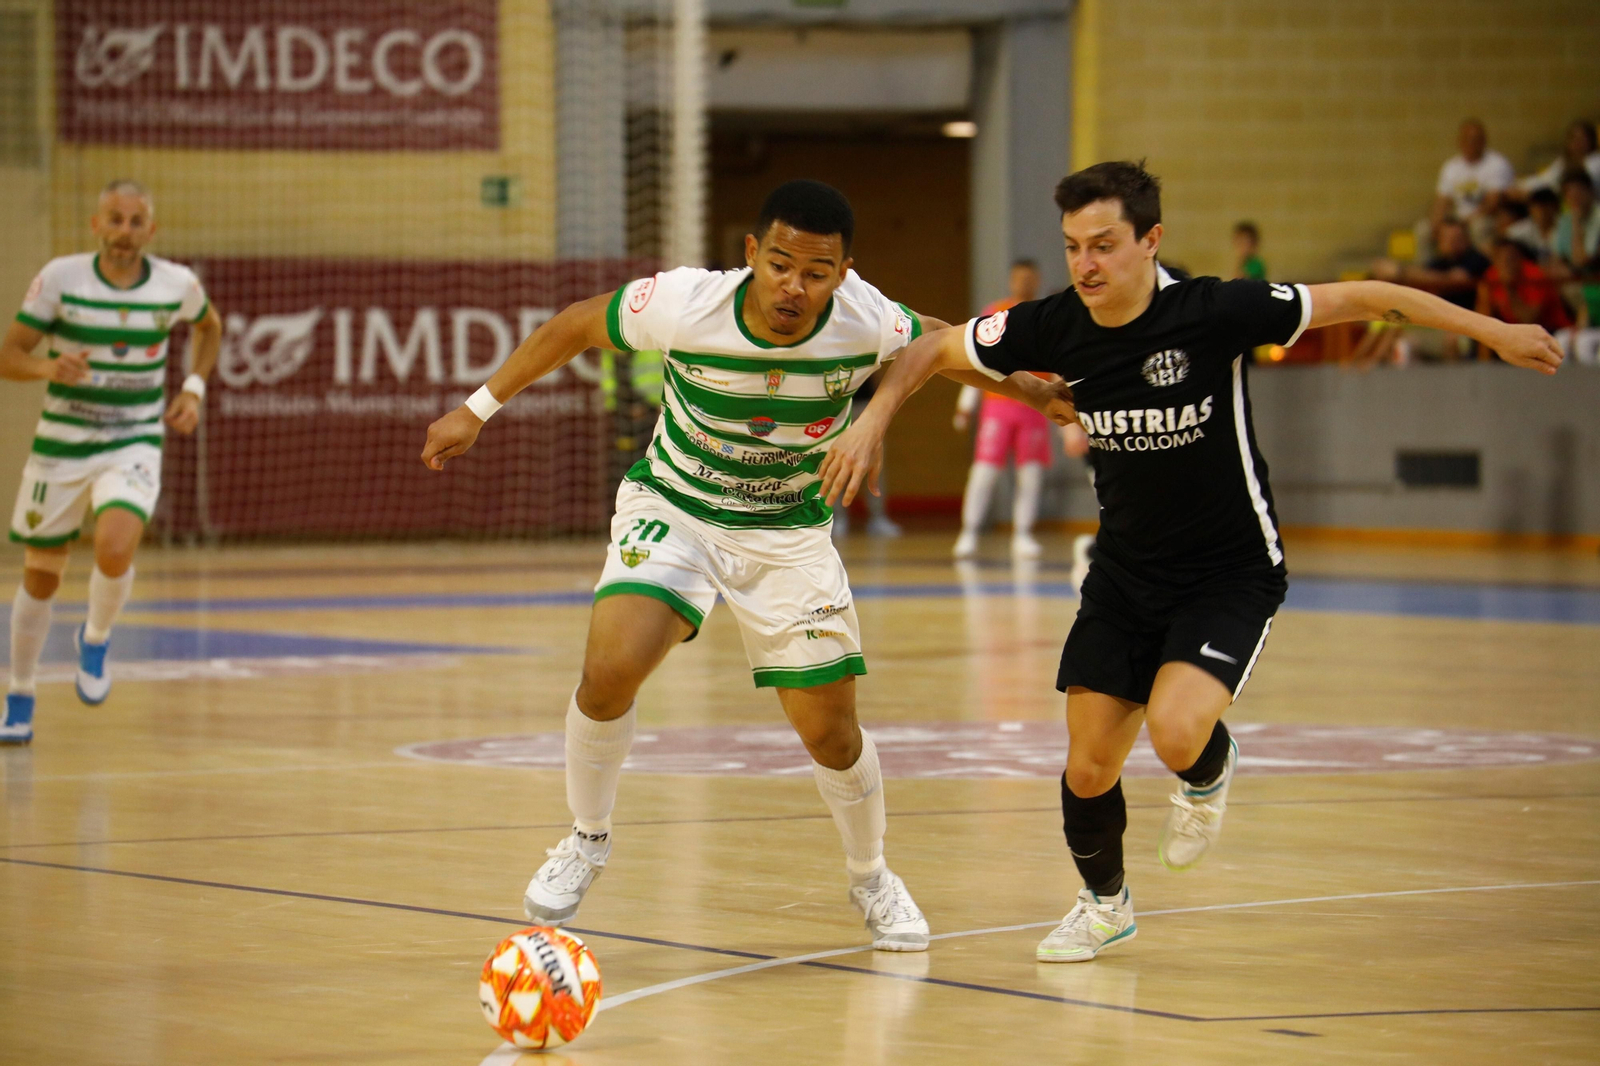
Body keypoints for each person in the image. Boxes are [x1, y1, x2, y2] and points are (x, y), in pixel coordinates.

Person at [819, 160, 1562, 964]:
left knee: (1175, 733)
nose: (1086, 265)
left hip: (1230, 571)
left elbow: (1373, 296)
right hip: (1125, 575)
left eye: (1104, 245)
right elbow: (933, 349)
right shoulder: (1056, 324)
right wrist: (875, 423)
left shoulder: (1218, 310)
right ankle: (1105, 906)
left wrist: (1497, 333)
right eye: (1073, 247)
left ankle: (1208, 767)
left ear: (1151, 240)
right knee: (1089, 762)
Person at [420, 180, 1071, 950]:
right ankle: (587, 837)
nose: (796, 286)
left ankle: (871, 874)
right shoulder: (686, 304)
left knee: (830, 733)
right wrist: (477, 408)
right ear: (753, 253)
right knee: (609, 670)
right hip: (677, 506)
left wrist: (1033, 394)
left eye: (818, 271)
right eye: (782, 264)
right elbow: (575, 326)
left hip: (786, 533)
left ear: (844, 271)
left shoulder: (865, 318)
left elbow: (936, 343)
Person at [1, 180, 219, 745]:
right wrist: (49, 368)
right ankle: (20, 693)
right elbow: (9, 356)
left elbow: (209, 327)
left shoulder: (177, 284)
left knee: (116, 544)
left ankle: (95, 638)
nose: (125, 231)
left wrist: (193, 387)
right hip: (62, 445)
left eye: (136, 221)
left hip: (133, 439)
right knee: (40, 578)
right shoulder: (61, 278)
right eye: (115, 220)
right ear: (97, 225)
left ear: (152, 230)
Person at [952, 259, 1056, 558]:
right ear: (1011, 280)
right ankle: (969, 532)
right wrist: (965, 404)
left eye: (1030, 278)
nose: (1024, 283)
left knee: (1031, 475)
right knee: (985, 471)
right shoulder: (995, 313)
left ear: (1036, 280)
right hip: (998, 405)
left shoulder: (1048, 314)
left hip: (1035, 407)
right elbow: (974, 359)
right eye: (1019, 278)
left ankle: (1023, 533)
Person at [1476, 238, 1571, 353]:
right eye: (1501, 259)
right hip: (1512, 333)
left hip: (1551, 330)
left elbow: (1530, 320)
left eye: (1510, 258)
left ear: (1519, 258)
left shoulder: (1535, 276)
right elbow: (1484, 320)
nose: (1506, 263)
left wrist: (1510, 289)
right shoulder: (1491, 277)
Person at [1431, 118, 1514, 246]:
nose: (1471, 144)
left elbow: (1492, 203)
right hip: (1458, 218)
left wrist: (1466, 222)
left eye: (1475, 140)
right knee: (1424, 230)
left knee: (1479, 227)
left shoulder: (1497, 164)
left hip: (1487, 217)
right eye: (1467, 139)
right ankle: (1432, 266)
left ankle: (1480, 265)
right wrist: (1436, 222)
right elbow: (1441, 201)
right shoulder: (1451, 167)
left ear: (1483, 141)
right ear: (1460, 141)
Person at [1516, 120, 1600, 197]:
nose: (1577, 143)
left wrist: (1531, 193)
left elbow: (1561, 187)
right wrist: (1520, 185)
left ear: (1590, 141)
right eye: (1574, 138)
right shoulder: (1564, 161)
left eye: (1581, 139)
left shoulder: (1595, 162)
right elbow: (1546, 178)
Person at [1551, 168, 1600, 280]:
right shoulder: (1563, 221)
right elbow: (1555, 260)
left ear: (1590, 191)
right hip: (1574, 281)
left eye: (1579, 191)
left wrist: (1576, 223)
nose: (1574, 197)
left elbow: (1581, 260)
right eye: (1569, 193)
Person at [1507, 187, 1562, 263]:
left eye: (1545, 207)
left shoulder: (1564, 227)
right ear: (1530, 210)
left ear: (1555, 207)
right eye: (1537, 208)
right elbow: (1505, 238)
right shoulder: (1524, 228)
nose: (1541, 212)